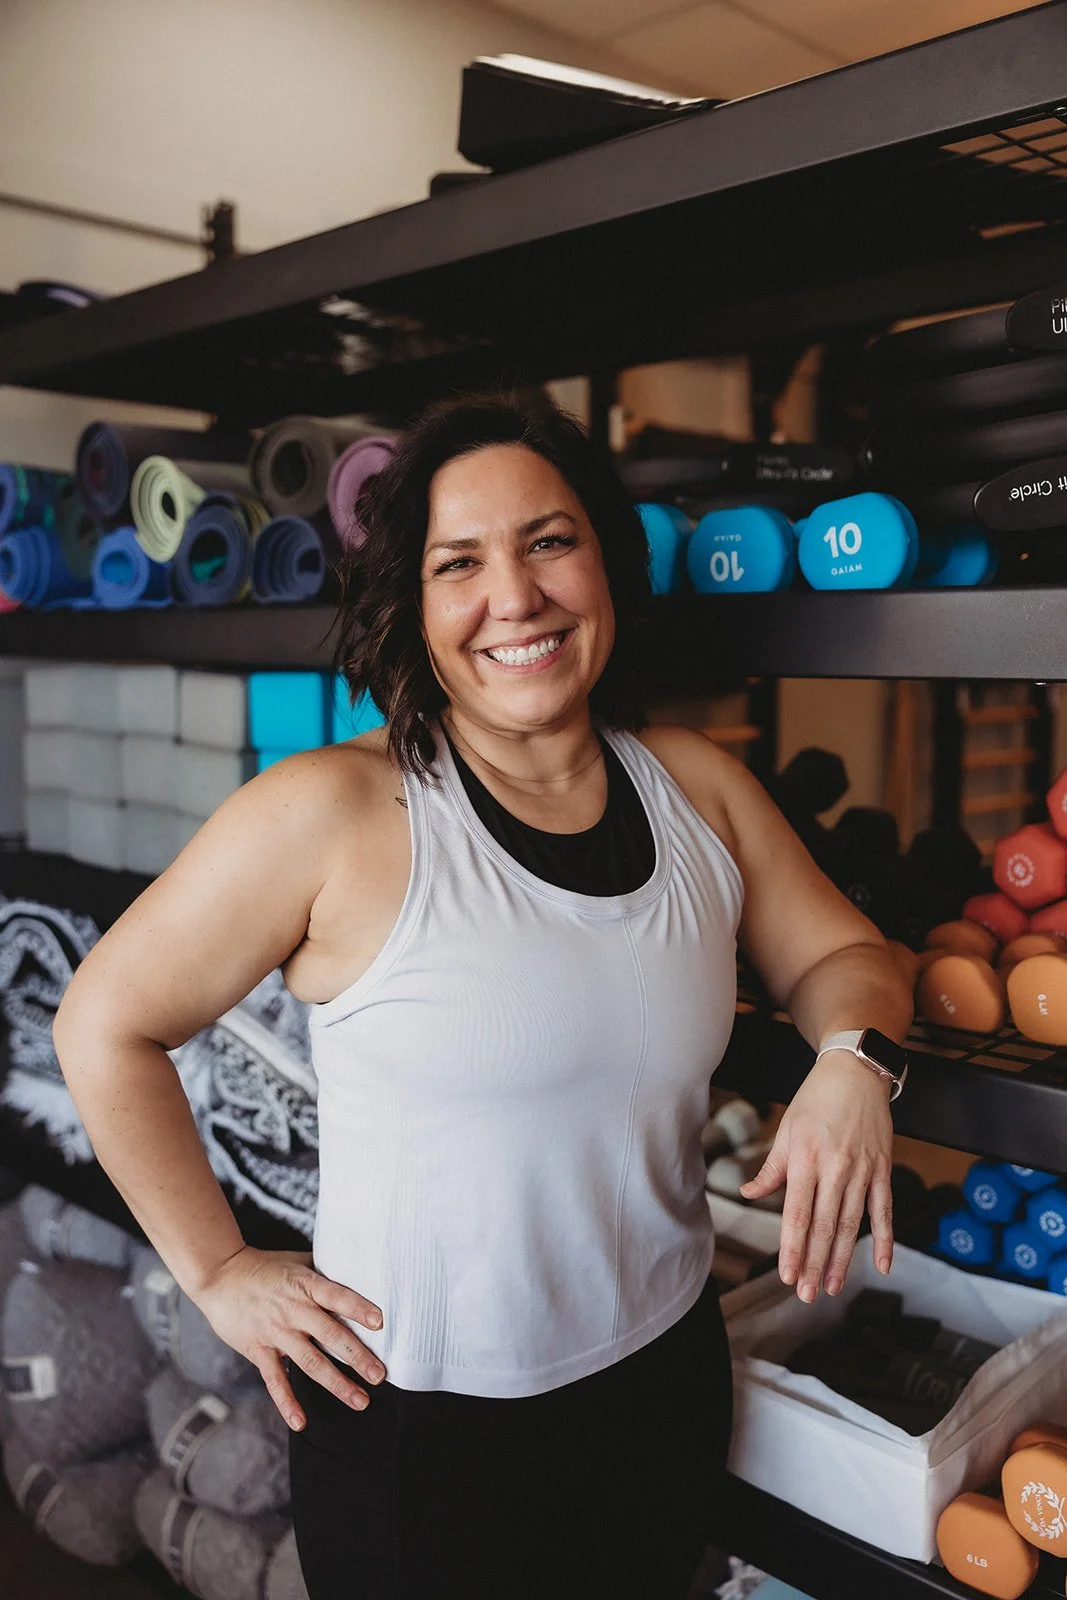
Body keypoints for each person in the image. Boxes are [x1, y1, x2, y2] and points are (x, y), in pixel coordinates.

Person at [54, 393, 912, 1599]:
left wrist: (852, 1065)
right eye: (459, 563)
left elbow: (844, 957)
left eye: (548, 542)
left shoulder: (695, 786)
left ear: (605, 561)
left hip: (660, 1376)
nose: (514, 597)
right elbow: (102, 1022)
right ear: (413, 602)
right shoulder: (333, 813)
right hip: (425, 1433)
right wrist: (215, 1269)